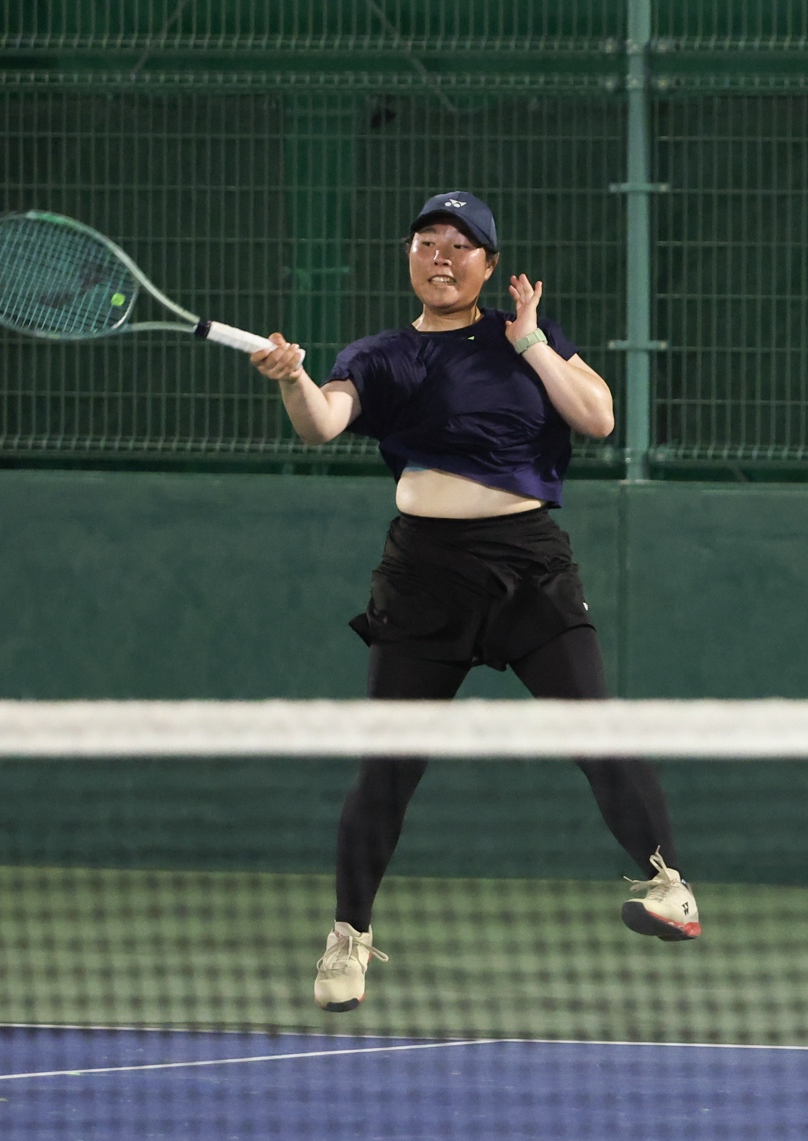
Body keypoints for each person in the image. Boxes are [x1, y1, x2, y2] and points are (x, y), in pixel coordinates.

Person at [250, 190, 699, 1013]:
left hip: (529, 565)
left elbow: (598, 418)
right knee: (389, 767)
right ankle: (348, 936)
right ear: (409, 257)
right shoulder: (381, 356)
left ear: (489, 265)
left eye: (460, 245)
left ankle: (669, 885)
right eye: (427, 241)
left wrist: (530, 343)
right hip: (424, 575)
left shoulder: (527, 338)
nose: (442, 257)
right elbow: (322, 423)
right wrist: (295, 379)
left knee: (596, 728)